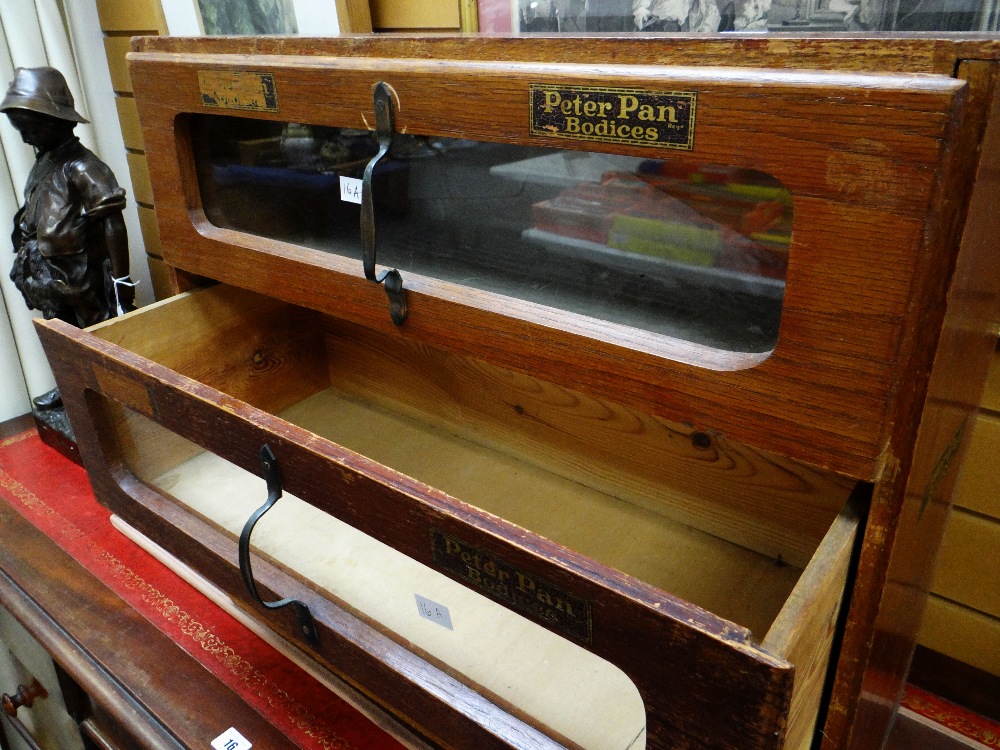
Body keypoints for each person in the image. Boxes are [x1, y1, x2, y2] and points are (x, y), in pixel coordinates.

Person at [1, 66, 134, 410]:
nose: (25, 137)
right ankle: (72, 389)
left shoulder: (83, 167)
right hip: (50, 271)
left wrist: (120, 279)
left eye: (31, 128)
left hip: (83, 275)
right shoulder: (46, 162)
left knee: (97, 336)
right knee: (61, 335)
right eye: (21, 129)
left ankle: (110, 400)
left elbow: (113, 223)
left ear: (58, 121)